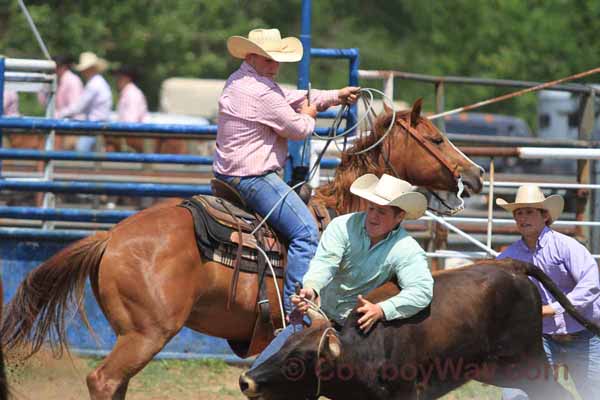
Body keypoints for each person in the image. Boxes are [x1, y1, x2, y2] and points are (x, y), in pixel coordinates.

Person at [212, 28, 360, 316]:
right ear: (252, 56)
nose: (275, 66)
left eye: (278, 59)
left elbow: (292, 97)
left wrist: (336, 96)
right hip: (253, 178)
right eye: (269, 60)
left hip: (229, 174)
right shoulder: (259, 91)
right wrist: (309, 117)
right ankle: (296, 309)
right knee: (306, 233)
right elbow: (298, 129)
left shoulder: (244, 80)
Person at [251, 173, 433, 367]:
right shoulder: (343, 225)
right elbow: (324, 263)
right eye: (371, 208)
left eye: (382, 212)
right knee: (263, 369)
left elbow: (422, 291)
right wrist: (311, 289)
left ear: (399, 216)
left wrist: (381, 309)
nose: (372, 216)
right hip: (316, 317)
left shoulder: (406, 249)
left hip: (356, 331)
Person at [496, 184, 600, 400]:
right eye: (519, 213)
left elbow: (590, 285)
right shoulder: (508, 258)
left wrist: (551, 309)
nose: (523, 218)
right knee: (517, 394)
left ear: (545, 216)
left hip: (582, 333)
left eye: (529, 212)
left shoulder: (566, 247)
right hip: (538, 338)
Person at [57, 51, 113, 152]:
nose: (83, 72)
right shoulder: (98, 82)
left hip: (95, 124)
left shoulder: (93, 85)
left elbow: (78, 107)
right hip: (98, 122)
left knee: (80, 150)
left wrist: (59, 114)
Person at [39, 55, 84, 149]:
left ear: (63, 67)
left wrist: (57, 114)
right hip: (58, 125)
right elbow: (43, 103)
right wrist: (44, 86)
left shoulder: (73, 80)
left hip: (73, 126)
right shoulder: (54, 81)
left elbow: (75, 108)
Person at [106, 64, 148, 152]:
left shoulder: (131, 94)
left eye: (119, 77)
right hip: (132, 134)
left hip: (134, 136)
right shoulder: (128, 93)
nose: (116, 80)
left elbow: (130, 121)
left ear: (127, 78)